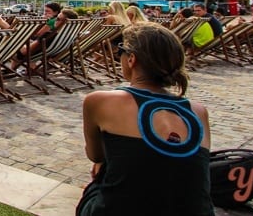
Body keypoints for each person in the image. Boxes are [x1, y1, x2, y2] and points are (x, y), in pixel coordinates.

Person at [77, 22, 214, 215]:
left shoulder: (100, 101)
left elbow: (96, 156)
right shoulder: (199, 111)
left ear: (131, 59)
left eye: (120, 52)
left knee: (102, 166)